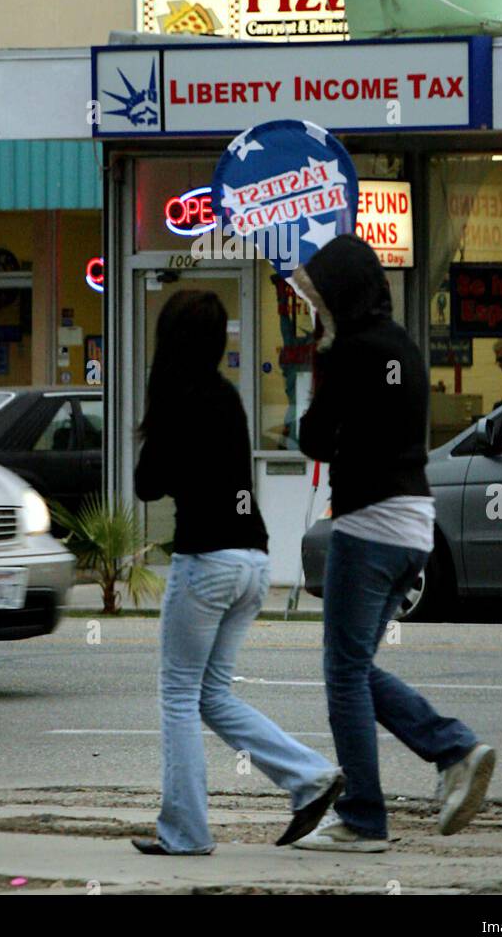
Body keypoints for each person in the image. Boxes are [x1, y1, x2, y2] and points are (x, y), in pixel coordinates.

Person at [291, 235, 496, 851]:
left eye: (319, 300)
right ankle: (454, 749)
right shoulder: (402, 345)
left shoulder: (351, 351)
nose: (315, 310)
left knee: (341, 673)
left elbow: (315, 440)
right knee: (353, 667)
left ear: (340, 298)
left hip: (368, 526)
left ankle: (362, 815)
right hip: (414, 527)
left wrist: (320, 368)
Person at [133, 288, 344, 855]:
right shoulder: (226, 396)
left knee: (178, 695)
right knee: (213, 696)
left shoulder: (176, 396)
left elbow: (145, 484)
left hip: (205, 563)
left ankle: (186, 832)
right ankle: (309, 777)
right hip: (253, 561)